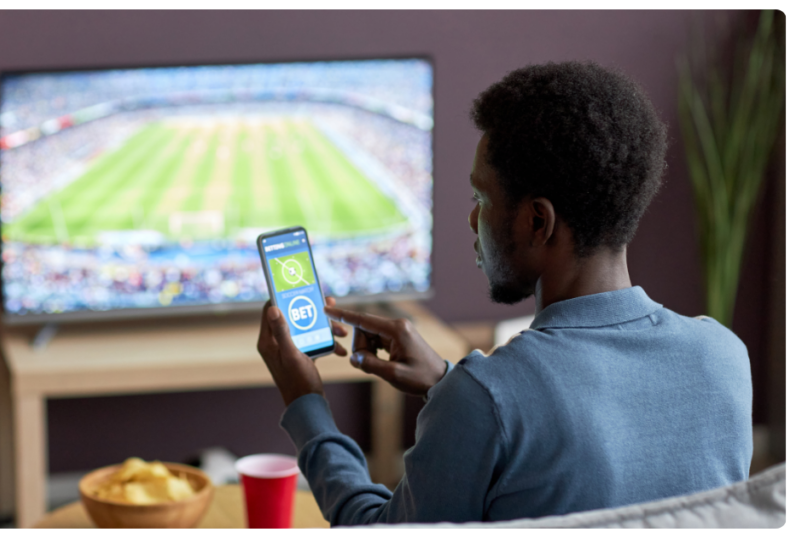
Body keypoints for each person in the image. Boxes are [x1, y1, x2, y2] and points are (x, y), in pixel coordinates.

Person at [255, 61, 753, 526]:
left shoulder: (484, 400)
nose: (473, 219)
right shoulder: (725, 357)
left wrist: (306, 405)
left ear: (538, 221)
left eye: (482, 198)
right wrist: (446, 384)